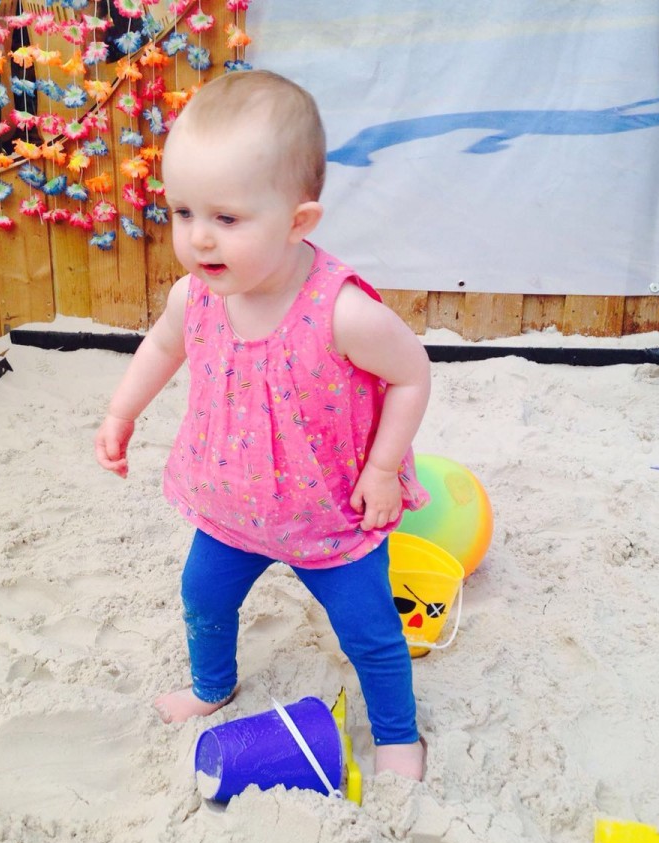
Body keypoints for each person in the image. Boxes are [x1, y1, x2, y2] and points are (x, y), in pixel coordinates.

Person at [94, 70, 431, 780]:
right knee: (203, 598)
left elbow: (412, 375)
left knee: (369, 633)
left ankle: (398, 736)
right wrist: (122, 412)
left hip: (330, 512)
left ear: (299, 222)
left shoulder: (343, 312)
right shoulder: (196, 295)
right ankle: (212, 686)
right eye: (183, 212)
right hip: (231, 505)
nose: (199, 239)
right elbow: (162, 347)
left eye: (227, 219)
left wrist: (381, 469)